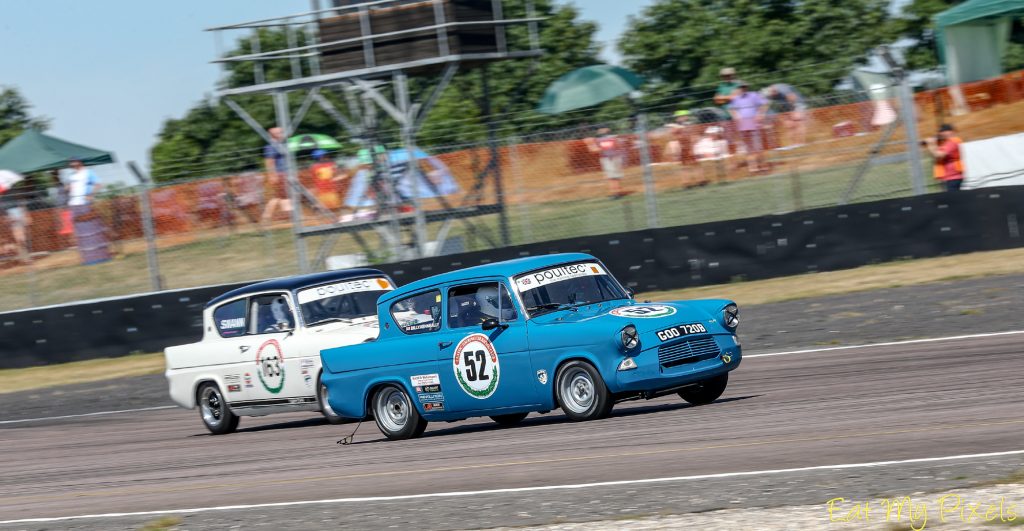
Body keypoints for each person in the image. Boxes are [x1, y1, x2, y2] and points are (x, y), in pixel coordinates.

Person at [66, 158, 111, 265]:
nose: (72, 164)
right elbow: (70, 188)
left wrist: (91, 195)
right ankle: (87, 259)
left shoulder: (88, 172)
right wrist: (68, 188)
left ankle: (100, 256)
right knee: (80, 232)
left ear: (80, 162)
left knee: (91, 228)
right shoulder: (72, 176)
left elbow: (99, 184)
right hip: (74, 204)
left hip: (85, 203)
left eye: (74, 162)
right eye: (71, 163)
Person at [728, 81, 770, 173]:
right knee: (748, 148)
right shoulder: (736, 99)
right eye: (740, 87)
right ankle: (753, 167)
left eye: (744, 87)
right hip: (743, 124)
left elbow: (765, 103)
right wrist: (736, 117)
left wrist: (761, 114)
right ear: (738, 88)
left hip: (754, 123)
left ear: (747, 87)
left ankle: (763, 166)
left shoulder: (754, 95)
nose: (742, 89)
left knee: (758, 146)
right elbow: (730, 109)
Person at [260, 126, 293, 224]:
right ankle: (289, 215)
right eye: (279, 133)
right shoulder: (271, 146)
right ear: (274, 135)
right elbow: (269, 161)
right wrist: (272, 175)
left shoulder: (280, 145)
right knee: (283, 195)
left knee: (281, 196)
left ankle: (268, 216)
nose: (282, 134)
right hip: (279, 173)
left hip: (283, 172)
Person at [584, 126, 628, 198]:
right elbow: (595, 150)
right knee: (611, 177)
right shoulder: (600, 139)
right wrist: (590, 144)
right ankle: (616, 193)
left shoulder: (611, 138)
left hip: (613, 158)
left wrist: (591, 144)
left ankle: (617, 193)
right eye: (598, 129)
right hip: (607, 159)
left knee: (614, 177)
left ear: (607, 130)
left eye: (601, 129)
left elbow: (612, 147)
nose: (598, 131)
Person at [763, 83, 808, 148]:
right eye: (770, 96)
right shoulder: (768, 93)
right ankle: (794, 144)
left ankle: (801, 143)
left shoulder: (783, 89)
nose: (772, 97)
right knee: (789, 126)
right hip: (785, 106)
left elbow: (792, 98)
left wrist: (793, 111)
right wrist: (762, 114)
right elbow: (766, 104)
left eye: (772, 95)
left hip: (797, 103)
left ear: (774, 91)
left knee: (798, 122)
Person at [925, 124, 964, 192]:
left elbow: (939, 155)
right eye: (940, 132)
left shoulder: (952, 142)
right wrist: (932, 145)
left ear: (951, 132)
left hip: (953, 178)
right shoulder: (945, 143)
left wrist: (931, 144)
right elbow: (935, 155)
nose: (941, 133)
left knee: (953, 200)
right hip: (947, 178)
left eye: (944, 131)